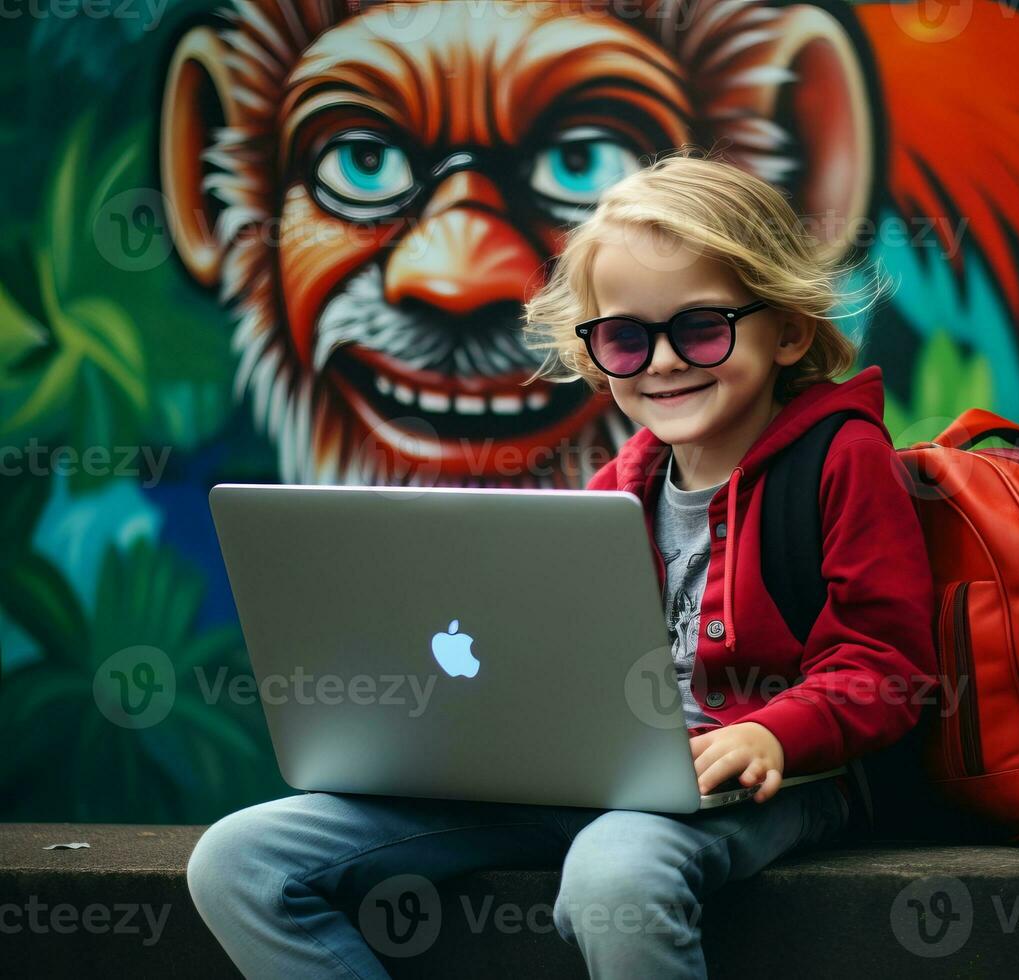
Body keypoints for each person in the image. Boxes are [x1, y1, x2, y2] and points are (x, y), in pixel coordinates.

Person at [186, 149, 936, 978]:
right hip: (586, 779)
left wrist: (772, 732)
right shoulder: (621, 487)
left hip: (768, 785)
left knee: (614, 873)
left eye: (699, 327)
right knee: (241, 861)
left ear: (787, 329)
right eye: (624, 337)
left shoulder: (841, 458)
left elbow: (888, 665)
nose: (660, 361)